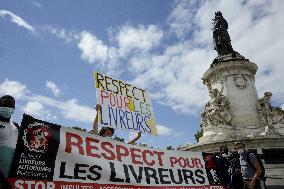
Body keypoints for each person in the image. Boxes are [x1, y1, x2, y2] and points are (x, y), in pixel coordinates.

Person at [0, 95, 19, 187]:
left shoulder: (16, 126)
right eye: (4, 105)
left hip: (11, 176)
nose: (7, 108)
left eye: (10, 106)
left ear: (14, 109)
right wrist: (4, 182)